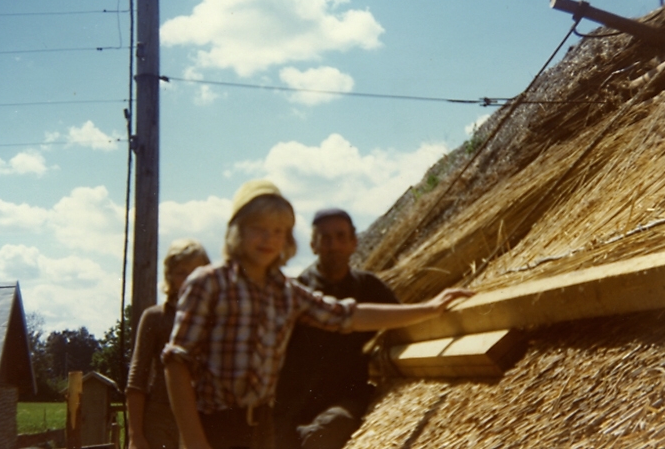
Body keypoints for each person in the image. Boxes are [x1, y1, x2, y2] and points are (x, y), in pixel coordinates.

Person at [163, 180, 474, 449]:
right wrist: (194, 443)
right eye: (258, 228)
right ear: (236, 230)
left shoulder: (285, 292)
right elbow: (177, 363)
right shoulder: (208, 283)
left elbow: (348, 315)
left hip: (264, 428)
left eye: (278, 231)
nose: (268, 239)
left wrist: (429, 308)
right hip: (216, 427)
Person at [274, 208, 399, 449]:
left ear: (354, 242)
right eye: (325, 238)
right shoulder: (298, 294)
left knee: (323, 435)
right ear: (313, 245)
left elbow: (399, 319)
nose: (334, 245)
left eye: (341, 237)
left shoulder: (368, 287)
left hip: (345, 400)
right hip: (295, 408)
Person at [127, 238, 211, 449]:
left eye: (198, 271)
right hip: (160, 419)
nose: (190, 279)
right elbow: (137, 378)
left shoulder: (217, 317)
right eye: (182, 272)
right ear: (170, 276)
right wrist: (135, 435)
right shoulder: (155, 317)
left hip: (205, 418)